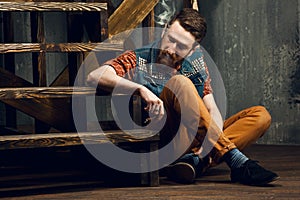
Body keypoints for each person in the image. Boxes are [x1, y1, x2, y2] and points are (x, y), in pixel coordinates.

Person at [87, 8, 279, 185]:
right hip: (165, 141)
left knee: (261, 116)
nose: (171, 49)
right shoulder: (139, 58)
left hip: (195, 138)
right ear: (164, 32)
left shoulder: (195, 65)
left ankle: (196, 161)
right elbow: (95, 76)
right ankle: (235, 159)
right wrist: (140, 89)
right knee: (180, 83)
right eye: (170, 39)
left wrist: (207, 143)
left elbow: (212, 110)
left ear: (192, 50)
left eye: (181, 46)